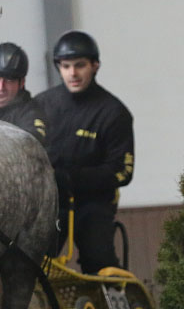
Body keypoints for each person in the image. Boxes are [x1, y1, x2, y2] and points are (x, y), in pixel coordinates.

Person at [34, 30, 134, 274]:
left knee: (98, 258)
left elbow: (123, 172)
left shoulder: (113, 112)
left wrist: (72, 178)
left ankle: (115, 307)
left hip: (93, 203)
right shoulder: (41, 105)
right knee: (31, 259)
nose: (73, 73)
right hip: (50, 201)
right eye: (66, 66)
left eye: (80, 65)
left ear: (95, 66)